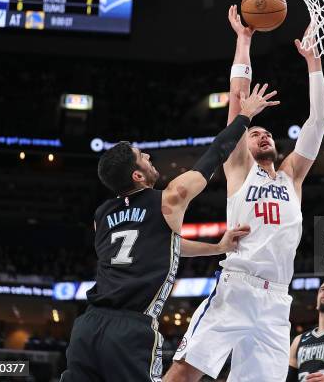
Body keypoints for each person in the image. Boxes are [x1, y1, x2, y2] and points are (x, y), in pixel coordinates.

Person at [60, 83, 278, 382]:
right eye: (142, 156)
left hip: (86, 327)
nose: (148, 156)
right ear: (137, 175)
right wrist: (245, 116)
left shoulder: (101, 216)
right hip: (129, 328)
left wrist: (217, 247)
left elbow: (157, 244)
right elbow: (215, 154)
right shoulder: (168, 199)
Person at [166, 5, 324, 382]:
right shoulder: (239, 170)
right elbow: (238, 100)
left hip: (277, 301)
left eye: (268, 134)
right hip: (237, 286)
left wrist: (313, 62)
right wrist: (243, 42)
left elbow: (317, 122)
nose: (264, 135)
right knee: (185, 370)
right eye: (256, 133)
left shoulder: (292, 177)